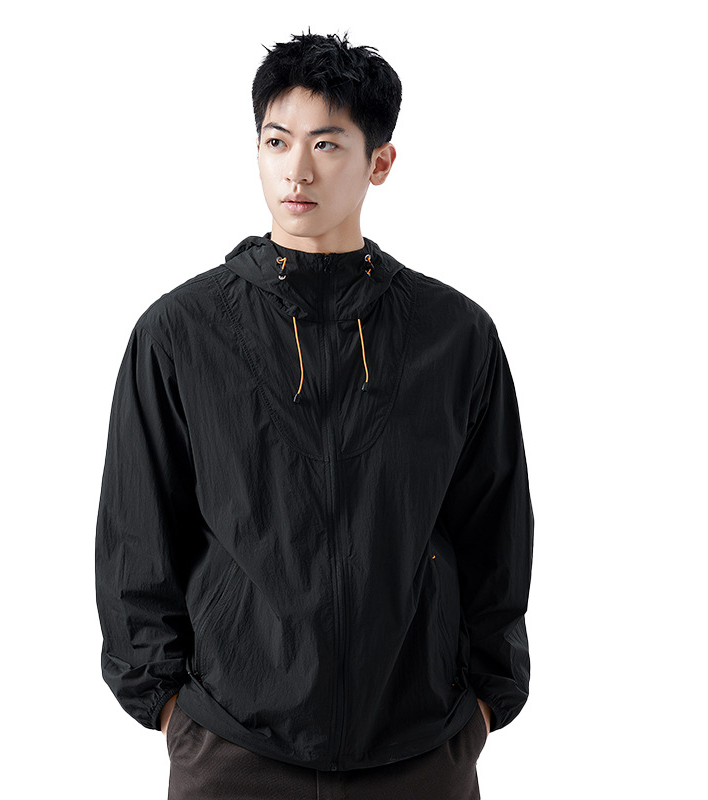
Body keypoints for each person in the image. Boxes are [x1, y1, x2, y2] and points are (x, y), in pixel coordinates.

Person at [95, 32, 533, 800]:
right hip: (232, 747)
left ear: (380, 162)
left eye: (327, 144)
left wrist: (485, 702)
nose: (297, 170)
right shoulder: (180, 332)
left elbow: (494, 529)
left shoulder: (454, 335)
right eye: (277, 141)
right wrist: (170, 708)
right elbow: (138, 535)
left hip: (419, 747)